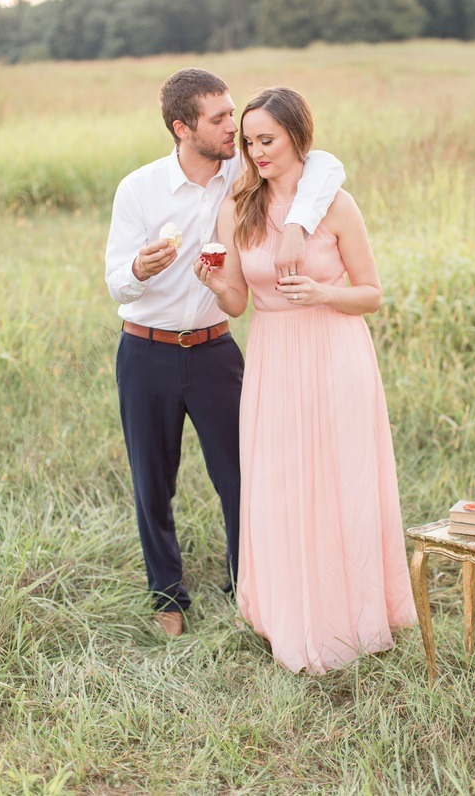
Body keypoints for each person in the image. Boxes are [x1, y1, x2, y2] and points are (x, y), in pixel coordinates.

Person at [105, 69, 345, 637]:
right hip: (147, 352)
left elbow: (327, 164)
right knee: (152, 479)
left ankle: (248, 586)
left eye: (232, 113)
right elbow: (117, 281)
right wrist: (139, 268)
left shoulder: (243, 170)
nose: (233, 128)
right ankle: (167, 596)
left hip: (217, 350)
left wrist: (298, 225)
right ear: (182, 128)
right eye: (219, 119)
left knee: (241, 475)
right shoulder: (138, 189)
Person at [194, 86, 416, 673]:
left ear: (298, 136)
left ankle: (354, 611)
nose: (256, 152)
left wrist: (322, 293)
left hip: (337, 352)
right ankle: (289, 613)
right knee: (283, 482)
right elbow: (239, 301)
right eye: (248, 142)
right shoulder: (238, 206)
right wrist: (215, 285)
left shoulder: (337, 205)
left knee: (340, 479)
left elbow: (371, 294)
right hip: (274, 356)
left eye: (266, 139)